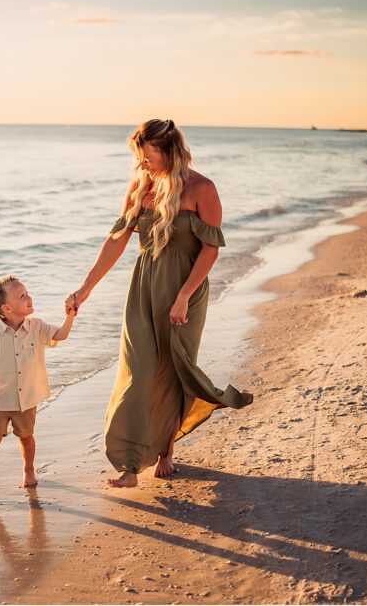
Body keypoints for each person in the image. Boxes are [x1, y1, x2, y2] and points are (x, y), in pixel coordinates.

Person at [66, 119, 253, 488]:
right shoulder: (141, 185)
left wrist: (184, 295)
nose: (143, 164)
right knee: (138, 370)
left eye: (148, 156)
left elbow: (209, 251)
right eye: (140, 157)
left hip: (185, 288)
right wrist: (86, 288)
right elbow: (118, 240)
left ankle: (166, 451)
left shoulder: (203, 188)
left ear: (169, 151)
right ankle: (130, 464)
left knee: (174, 368)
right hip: (144, 287)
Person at [0, 275, 76, 490]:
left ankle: (28, 468)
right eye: (22, 296)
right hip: (1, 397)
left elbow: (61, 334)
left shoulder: (37, 327)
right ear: (7, 308)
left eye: (27, 293)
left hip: (27, 398)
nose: (29, 297)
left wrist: (70, 316)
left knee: (26, 438)